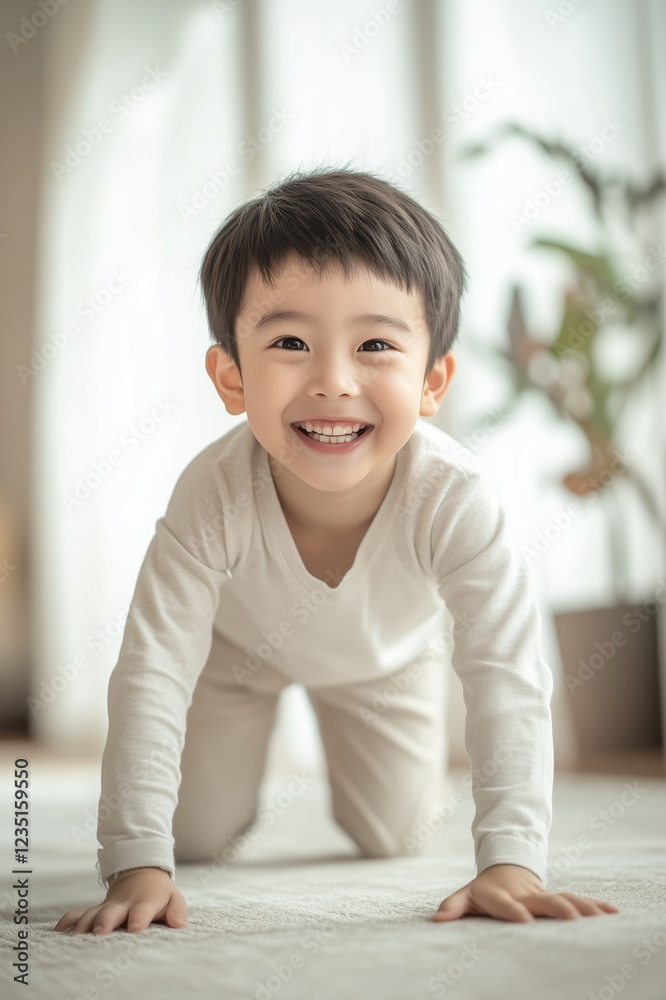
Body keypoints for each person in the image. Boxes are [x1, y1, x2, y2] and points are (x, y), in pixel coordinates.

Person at [55, 166, 619, 936]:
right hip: (233, 661)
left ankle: (393, 760)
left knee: (392, 835)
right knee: (190, 843)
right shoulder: (210, 492)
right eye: (289, 341)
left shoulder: (455, 496)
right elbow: (152, 668)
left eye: (376, 345)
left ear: (432, 382)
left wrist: (511, 860)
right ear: (230, 377)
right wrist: (135, 859)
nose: (332, 381)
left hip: (384, 664)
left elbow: (507, 673)